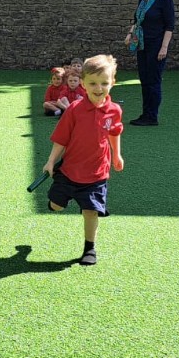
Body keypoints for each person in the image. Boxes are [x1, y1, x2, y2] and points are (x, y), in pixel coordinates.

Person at [42, 54, 124, 266]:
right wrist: (51, 161)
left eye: (104, 83)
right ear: (83, 83)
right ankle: (58, 201)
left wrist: (117, 155)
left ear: (112, 82)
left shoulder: (114, 111)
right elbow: (61, 139)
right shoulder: (74, 110)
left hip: (97, 173)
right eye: (93, 83)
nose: (99, 88)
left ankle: (90, 248)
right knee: (56, 206)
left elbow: (115, 132)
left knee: (91, 211)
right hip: (69, 171)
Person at [124, 0, 175, 126]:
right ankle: (145, 114)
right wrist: (129, 34)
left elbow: (169, 26)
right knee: (145, 80)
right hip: (142, 45)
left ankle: (152, 116)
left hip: (156, 46)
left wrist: (164, 48)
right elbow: (137, 20)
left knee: (153, 81)